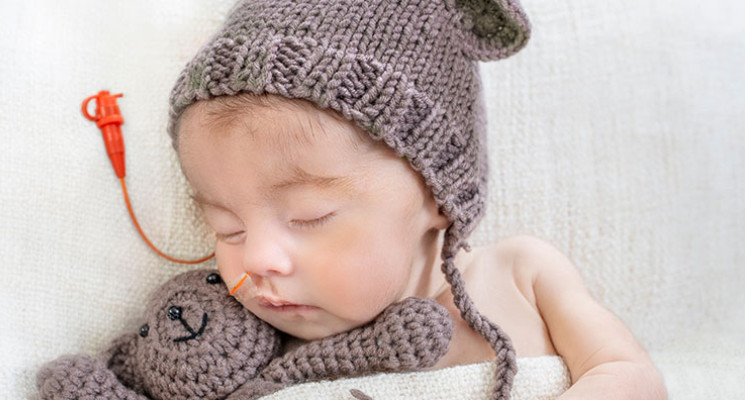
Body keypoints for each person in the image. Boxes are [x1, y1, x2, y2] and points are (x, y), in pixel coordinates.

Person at [164, 1, 666, 399]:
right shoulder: (270, 348)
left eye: (308, 217)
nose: (255, 260)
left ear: (438, 193)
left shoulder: (522, 276)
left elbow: (629, 376)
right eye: (227, 226)